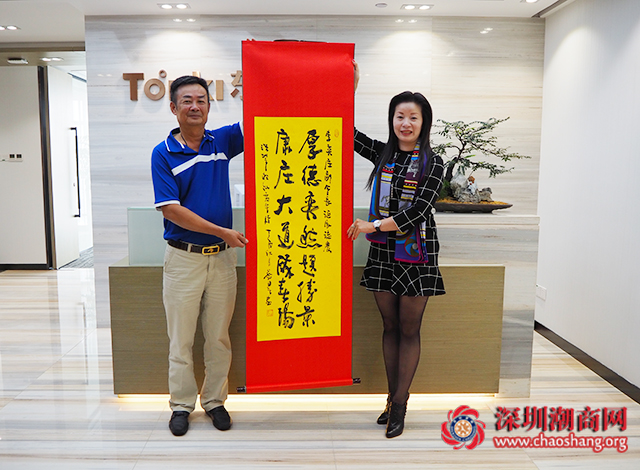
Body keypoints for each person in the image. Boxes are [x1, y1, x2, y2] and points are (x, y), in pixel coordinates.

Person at [347, 64, 446, 438]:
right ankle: (391, 399)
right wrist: (351, 89)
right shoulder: (382, 153)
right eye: (400, 116)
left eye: (413, 117)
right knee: (389, 327)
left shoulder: (434, 162)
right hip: (383, 253)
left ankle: (401, 404)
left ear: (424, 123)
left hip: (417, 254)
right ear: (392, 120)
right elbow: (346, 132)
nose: (406, 123)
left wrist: (372, 226)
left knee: (408, 328)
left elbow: (419, 211)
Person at [151, 75, 247, 436]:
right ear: (173, 108)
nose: (195, 107)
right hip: (183, 260)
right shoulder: (162, 153)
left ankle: (215, 401)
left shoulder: (220, 141)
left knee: (218, 337)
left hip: (222, 259)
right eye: (187, 101)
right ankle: (181, 405)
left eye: (201, 100)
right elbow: (171, 209)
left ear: (209, 106)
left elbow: (261, 119)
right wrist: (222, 231)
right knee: (181, 339)